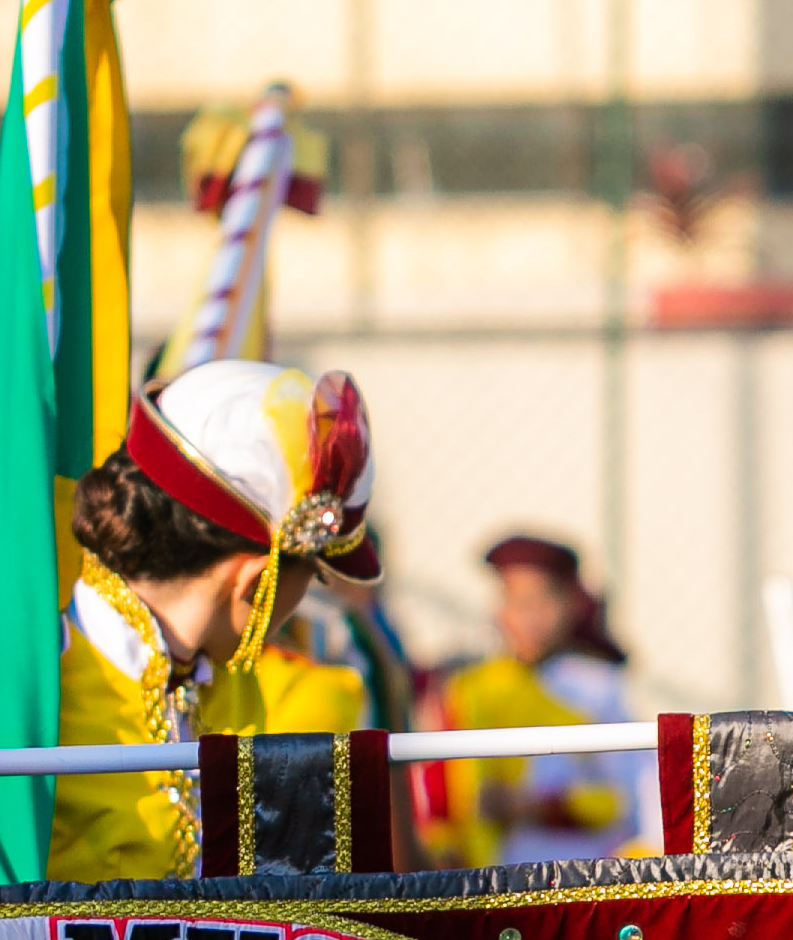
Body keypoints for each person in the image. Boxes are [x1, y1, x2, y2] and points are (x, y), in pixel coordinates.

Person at [44, 359, 377, 881]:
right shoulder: (41, 674)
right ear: (254, 579)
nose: (305, 599)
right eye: (313, 574)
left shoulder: (230, 683)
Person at [436, 535, 637, 863]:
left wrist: (534, 805)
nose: (531, 618)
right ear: (499, 609)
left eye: (543, 602)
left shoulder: (598, 687)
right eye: (518, 602)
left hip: (583, 865)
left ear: (570, 606)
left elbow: (623, 800)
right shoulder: (472, 687)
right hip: (490, 873)